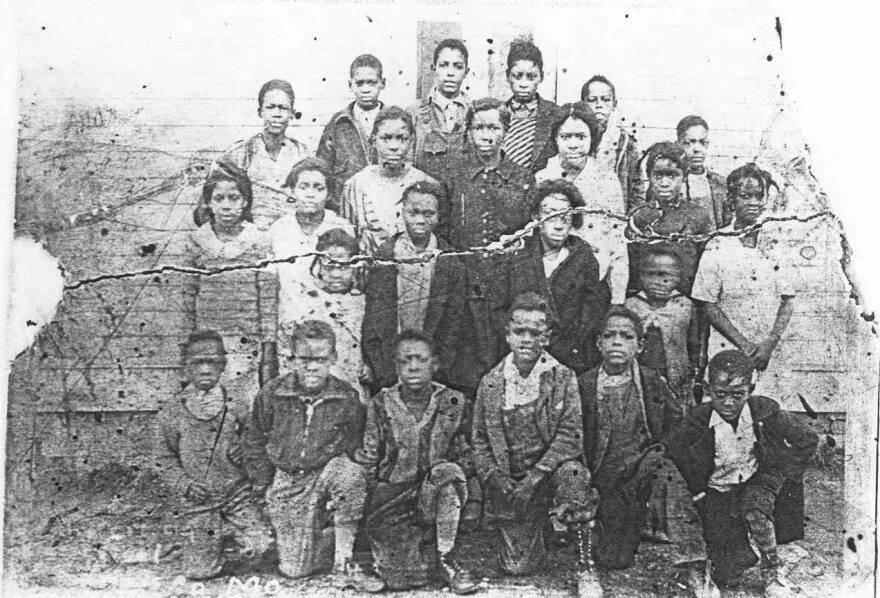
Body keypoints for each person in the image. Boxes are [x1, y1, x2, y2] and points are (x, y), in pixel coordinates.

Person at [241, 320, 384, 592]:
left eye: (320, 359)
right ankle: (323, 536)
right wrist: (264, 485)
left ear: (333, 358)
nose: (312, 366)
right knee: (295, 571)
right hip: (288, 480)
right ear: (291, 358)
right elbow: (254, 439)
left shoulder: (346, 396)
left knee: (349, 474)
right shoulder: (273, 393)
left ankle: (344, 562)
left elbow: (354, 443)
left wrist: (351, 473)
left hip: (326, 473)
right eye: (304, 359)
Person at [668, 350, 818, 596]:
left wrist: (786, 474)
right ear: (708, 389)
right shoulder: (698, 421)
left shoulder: (765, 413)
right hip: (719, 488)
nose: (728, 403)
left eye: (738, 395)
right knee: (729, 571)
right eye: (721, 394)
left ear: (750, 388)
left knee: (757, 511)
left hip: (756, 479)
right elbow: (676, 453)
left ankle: (772, 574)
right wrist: (697, 492)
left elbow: (807, 439)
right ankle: (733, 555)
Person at [471, 292, 596, 577]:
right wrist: (499, 479)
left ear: (547, 337)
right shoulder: (491, 382)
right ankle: (541, 528)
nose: (526, 339)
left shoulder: (562, 377)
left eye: (535, 332)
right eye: (519, 331)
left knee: (574, 475)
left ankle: (584, 564)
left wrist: (536, 477)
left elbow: (570, 435)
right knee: (517, 566)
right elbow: (479, 443)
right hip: (513, 482)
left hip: (548, 474)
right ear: (507, 335)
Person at [356, 330, 478, 594]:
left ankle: (446, 557)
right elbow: (369, 456)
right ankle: (411, 556)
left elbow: (472, 451)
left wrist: (453, 480)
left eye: (420, 359)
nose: (412, 366)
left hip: (438, 494)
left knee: (447, 472)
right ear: (396, 366)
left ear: (434, 364)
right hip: (394, 497)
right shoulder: (380, 404)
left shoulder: (454, 401)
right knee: (403, 580)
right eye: (404, 360)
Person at [159, 330, 273, 581]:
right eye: (197, 363)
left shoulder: (238, 405)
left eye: (212, 362)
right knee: (199, 572)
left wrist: (245, 450)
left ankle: (232, 534)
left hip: (237, 495)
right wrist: (184, 484)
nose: (205, 370)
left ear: (222, 366)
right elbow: (163, 458)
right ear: (185, 367)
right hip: (200, 499)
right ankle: (209, 541)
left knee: (261, 547)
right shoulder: (172, 412)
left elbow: (257, 442)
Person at [578, 305, 681, 569]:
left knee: (621, 557)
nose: (617, 342)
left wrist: (659, 450)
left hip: (638, 475)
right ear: (598, 342)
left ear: (640, 345)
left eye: (626, 336)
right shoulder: (584, 384)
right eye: (610, 335)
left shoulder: (651, 381)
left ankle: (652, 519)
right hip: (601, 476)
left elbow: (676, 421)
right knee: (609, 558)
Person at [691, 163, 796, 397]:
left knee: (767, 414)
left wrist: (770, 343)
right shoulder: (718, 243)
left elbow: (788, 299)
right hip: (729, 345)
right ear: (731, 199)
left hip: (769, 350)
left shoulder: (776, 242)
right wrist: (744, 345)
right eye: (744, 196)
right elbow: (707, 303)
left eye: (759, 196)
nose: (752, 202)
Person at [182, 167, 277, 403]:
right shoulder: (197, 241)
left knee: (244, 404)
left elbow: (267, 296)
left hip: (247, 340)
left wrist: (268, 344)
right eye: (219, 198)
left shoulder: (258, 241)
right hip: (208, 342)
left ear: (245, 201)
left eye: (233, 198)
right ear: (209, 203)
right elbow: (187, 297)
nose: (226, 206)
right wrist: (187, 345)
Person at [361, 180, 466, 393]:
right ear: (402, 213)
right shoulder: (385, 256)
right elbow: (374, 317)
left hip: (432, 371)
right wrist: (382, 368)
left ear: (439, 216)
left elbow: (454, 322)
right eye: (413, 212)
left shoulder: (450, 260)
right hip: (390, 368)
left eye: (428, 214)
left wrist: (439, 366)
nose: (420, 220)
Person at [502, 178, 607, 374]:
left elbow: (592, 310)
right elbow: (502, 305)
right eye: (550, 215)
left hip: (570, 355)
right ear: (536, 216)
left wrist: (566, 345)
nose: (558, 225)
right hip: (522, 352)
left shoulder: (584, 257)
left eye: (565, 216)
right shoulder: (519, 255)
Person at [535, 102, 629, 303]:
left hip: (592, 284)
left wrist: (618, 299)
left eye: (580, 137)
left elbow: (617, 241)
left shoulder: (607, 181)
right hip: (551, 283)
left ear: (592, 138)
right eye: (566, 137)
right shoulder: (542, 178)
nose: (573, 144)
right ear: (555, 138)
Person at [273, 228, 367, 400]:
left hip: (350, 386)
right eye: (330, 267)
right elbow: (287, 350)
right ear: (319, 266)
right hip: (309, 386)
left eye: (344, 267)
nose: (336, 274)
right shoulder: (302, 301)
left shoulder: (363, 303)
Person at [341, 106, 438, 256]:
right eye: (386, 138)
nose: (394, 147)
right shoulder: (356, 185)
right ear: (373, 141)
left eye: (402, 139)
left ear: (411, 141)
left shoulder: (426, 183)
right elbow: (346, 237)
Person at [217, 79, 309, 229]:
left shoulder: (301, 153)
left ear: (292, 113)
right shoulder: (241, 153)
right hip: (251, 232)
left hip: (291, 232)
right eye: (271, 107)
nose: (277, 114)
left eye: (283, 108)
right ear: (260, 112)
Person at [628, 141, 716, 295]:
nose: (664, 183)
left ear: (684, 178)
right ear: (649, 176)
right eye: (658, 175)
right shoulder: (638, 216)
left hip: (684, 297)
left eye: (672, 175)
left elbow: (706, 265)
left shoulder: (698, 215)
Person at [625, 247, 706, 413]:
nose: (656, 281)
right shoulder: (631, 306)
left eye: (664, 275)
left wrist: (692, 373)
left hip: (674, 377)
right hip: (639, 375)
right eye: (649, 274)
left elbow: (694, 344)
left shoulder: (684, 306)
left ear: (677, 277)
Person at [317, 54, 386, 211]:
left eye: (372, 83)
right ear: (350, 85)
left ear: (382, 83)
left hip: (383, 206)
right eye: (359, 83)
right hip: (345, 208)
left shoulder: (394, 121)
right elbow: (322, 169)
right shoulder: (338, 123)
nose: (366, 89)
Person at [269, 157, 353, 284]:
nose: (310, 195)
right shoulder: (280, 228)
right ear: (292, 192)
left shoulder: (342, 227)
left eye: (319, 188)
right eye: (303, 187)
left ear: (329, 194)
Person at [410, 38, 472, 188]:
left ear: (466, 72)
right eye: (444, 65)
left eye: (458, 67)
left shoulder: (474, 112)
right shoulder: (415, 112)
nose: (450, 73)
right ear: (434, 68)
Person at [580, 74, 644, 208]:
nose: (599, 105)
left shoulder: (626, 143)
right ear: (583, 104)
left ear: (614, 104)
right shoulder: (576, 137)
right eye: (592, 100)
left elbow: (636, 186)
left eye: (605, 100)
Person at [501, 39, 559, 173]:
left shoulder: (554, 114)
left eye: (531, 77)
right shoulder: (497, 113)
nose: (523, 83)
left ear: (541, 77)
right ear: (507, 76)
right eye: (517, 76)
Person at [676, 115, 728, 229]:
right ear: (678, 144)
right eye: (689, 142)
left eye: (702, 142)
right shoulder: (670, 184)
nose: (697, 149)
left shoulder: (721, 184)